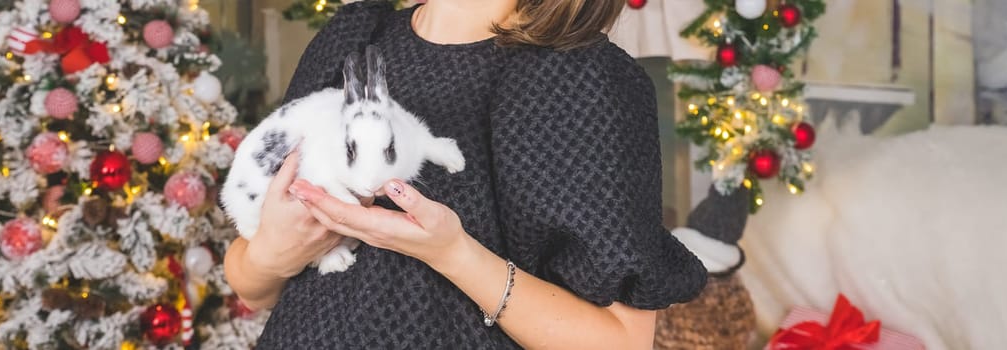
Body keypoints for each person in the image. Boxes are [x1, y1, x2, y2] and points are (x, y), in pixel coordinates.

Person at [224, 0, 707, 348]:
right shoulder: (351, 39)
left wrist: (454, 254)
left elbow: (621, 342)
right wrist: (273, 252)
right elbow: (250, 283)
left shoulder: (583, 80)